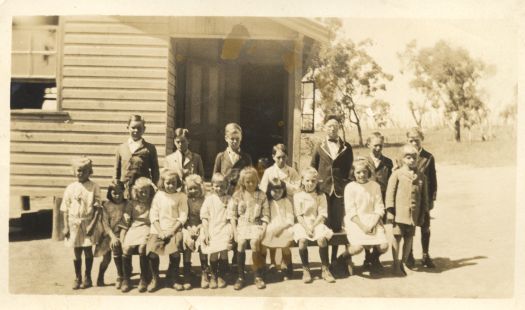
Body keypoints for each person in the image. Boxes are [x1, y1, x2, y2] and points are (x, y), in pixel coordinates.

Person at [310, 114, 353, 268]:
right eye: (329, 125)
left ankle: (335, 259)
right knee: (324, 226)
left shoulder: (347, 147)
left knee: (336, 226)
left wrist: (346, 184)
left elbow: (349, 169)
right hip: (324, 190)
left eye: (335, 125)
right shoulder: (318, 146)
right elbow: (313, 167)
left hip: (340, 191)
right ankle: (325, 262)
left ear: (339, 128)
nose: (332, 128)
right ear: (324, 128)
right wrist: (316, 186)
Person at [385, 144, 429, 276]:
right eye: (408, 158)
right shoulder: (397, 174)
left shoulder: (421, 176)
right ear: (402, 159)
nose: (411, 160)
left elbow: (424, 197)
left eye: (414, 158)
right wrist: (390, 211)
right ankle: (395, 263)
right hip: (399, 214)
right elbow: (390, 194)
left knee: (409, 238)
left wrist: (423, 214)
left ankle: (403, 262)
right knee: (397, 237)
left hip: (413, 215)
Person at [342, 158, 389, 276]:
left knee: (383, 246)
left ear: (368, 172)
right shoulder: (350, 187)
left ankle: (372, 259)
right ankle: (341, 259)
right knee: (357, 248)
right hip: (356, 221)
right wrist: (363, 226)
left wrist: (372, 224)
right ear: (353, 173)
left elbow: (379, 208)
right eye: (358, 172)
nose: (362, 175)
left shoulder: (375, 186)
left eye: (364, 171)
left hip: (372, 220)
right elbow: (351, 211)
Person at [61, 157, 101, 290]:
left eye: (84, 171)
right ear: (73, 171)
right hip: (74, 224)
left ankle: (87, 277)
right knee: (76, 251)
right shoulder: (70, 188)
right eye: (78, 171)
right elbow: (65, 208)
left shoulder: (94, 187)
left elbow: (97, 209)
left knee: (88, 250)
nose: (81, 173)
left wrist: (92, 225)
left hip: (88, 223)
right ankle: (77, 277)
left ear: (90, 171)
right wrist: (66, 226)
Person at [259, 144, 300, 271]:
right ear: (273, 157)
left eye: (283, 157)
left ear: (287, 156)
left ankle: (285, 261)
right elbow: (262, 189)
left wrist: (283, 183)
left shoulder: (291, 171)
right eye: (278, 157)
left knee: (284, 233)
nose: (281, 160)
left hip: (288, 204)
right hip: (273, 204)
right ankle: (272, 261)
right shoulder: (269, 171)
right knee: (271, 230)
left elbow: (297, 188)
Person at [146, 169, 188, 292]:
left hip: (174, 229)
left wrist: (172, 231)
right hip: (158, 229)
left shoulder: (181, 196)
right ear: (162, 183)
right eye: (167, 183)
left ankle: (174, 278)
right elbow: (153, 215)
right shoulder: (159, 195)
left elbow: (183, 216)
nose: (170, 186)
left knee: (174, 252)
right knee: (152, 252)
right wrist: (160, 231)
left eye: (173, 183)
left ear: (177, 183)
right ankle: (155, 278)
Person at [228, 167, 270, 290]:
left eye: (253, 181)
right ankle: (241, 277)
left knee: (254, 242)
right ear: (243, 182)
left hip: (256, 225)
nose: (250, 184)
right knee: (240, 243)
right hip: (242, 225)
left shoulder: (261, 195)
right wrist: (235, 231)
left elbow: (266, 214)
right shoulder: (238, 195)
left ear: (257, 181)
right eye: (247, 182)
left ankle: (257, 275)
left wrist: (264, 228)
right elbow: (232, 215)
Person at [293, 167, 335, 284]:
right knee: (302, 241)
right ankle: (306, 269)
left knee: (322, 240)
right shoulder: (298, 196)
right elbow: (299, 216)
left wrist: (312, 227)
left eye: (313, 181)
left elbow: (322, 214)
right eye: (307, 180)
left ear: (317, 182)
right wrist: (307, 228)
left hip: (317, 223)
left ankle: (325, 268)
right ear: (302, 180)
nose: (310, 183)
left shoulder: (320, 196)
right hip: (303, 224)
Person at [405, 127, 437, 269]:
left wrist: (432, 199)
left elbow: (433, 180)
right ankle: (409, 255)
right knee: (409, 227)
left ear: (421, 139)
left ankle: (425, 255)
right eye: (410, 140)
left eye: (416, 140)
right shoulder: (404, 155)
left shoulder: (428, 157)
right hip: (408, 198)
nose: (413, 143)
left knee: (425, 227)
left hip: (423, 197)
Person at [362, 132, 393, 269]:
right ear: (368, 145)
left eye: (380, 146)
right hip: (367, 201)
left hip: (382, 201)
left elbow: (391, 184)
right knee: (367, 228)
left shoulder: (388, 162)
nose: (378, 149)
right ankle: (367, 257)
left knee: (380, 229)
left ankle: (375, 257)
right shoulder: (362, 162)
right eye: (375, 146)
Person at [119, 177, 156, 293]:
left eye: (146, 191)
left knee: (142, 248)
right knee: (127, 248)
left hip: (147, 228)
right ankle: (126, 279)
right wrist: (122, 239)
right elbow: (125, 223)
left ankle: (144, 278)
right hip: (134, 229)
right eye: (141, 192)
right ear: (136, 192)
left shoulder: (153, 203)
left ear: (150, 191)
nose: (144, 194)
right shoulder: (131, 204)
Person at [114, 114, 160, 198]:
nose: (136, 130)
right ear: (127, 127)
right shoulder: (121, 148)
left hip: (143, 191)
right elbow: (116, 172)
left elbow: (155, 171)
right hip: (125, 191)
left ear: (144, 129)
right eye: (133, 127)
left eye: (139, 128)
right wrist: (117, 186)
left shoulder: (149, 148)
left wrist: (155, 188)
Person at [200, 173, 233, 289]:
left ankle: (221, 275)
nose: (219, 189)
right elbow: (204, 217)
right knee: (213, 253)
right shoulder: (209, 200)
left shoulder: (229, 199)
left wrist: (232, 230)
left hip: (224, 227)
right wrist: (206, 232)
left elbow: (231, 216)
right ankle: (213, 275)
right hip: (211, 228)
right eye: (217, 186)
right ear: (212, 186)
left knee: (223, 250)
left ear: (227, 186)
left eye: (222, 186)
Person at [93, 182, 126, 289]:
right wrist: (112, 237)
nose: (117, 196)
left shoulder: (126, 204)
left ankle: (121, 277)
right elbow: (105, 224)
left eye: (120, 193)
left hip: (122, 233)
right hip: (108, 235)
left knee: (122, 254)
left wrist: (120, 235)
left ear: (124, 192)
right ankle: (100, 277)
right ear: (109, 193)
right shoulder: (106, 206)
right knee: (106, 259)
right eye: (114, 193)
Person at [261, 179, 295, 281]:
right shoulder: (268, 202)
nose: (277, 194)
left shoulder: (286, 201)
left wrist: (280, 228)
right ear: (269, 190)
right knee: (265, 239)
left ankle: (288, 267)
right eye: (274, 191)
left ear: (283, 191)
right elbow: (265, 216)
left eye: (279, 191)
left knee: (285, 244)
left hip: (285, 226)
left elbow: (290, 219)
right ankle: (269, 265)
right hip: (271, 226)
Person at [181, 174, 209, 289]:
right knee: (187, 242)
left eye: (195, 188)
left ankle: (204, 272)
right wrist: (189, 228)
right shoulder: (185, 200)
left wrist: (198, 227)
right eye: (190, 188)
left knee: (203, 241)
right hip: (188, 227)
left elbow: (207, 218)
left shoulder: (205, 200)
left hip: (202, 226)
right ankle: (187, 273)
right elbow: (184, 217)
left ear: (201, 188)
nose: (193, 191)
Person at [213, 123, 253, 195]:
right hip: (224, 193)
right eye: (232, 139)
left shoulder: (246, 158)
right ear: (226, 138)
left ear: (241, 138)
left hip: (240, 193)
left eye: (237, 139)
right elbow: (214, 178)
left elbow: (250, 177)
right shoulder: (220, 157)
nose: (235, 141)